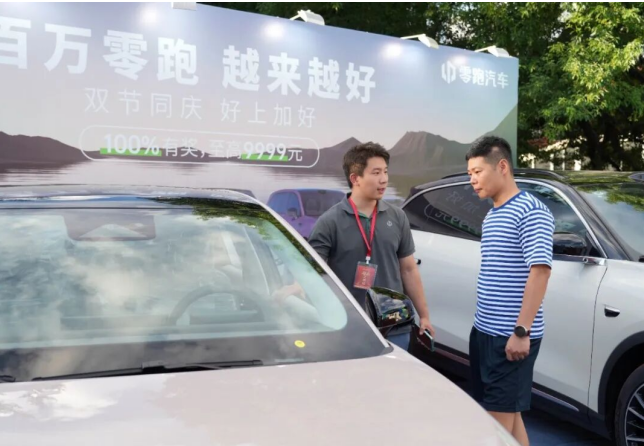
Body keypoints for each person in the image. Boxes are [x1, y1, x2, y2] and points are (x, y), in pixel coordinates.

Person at [465, 136, 555, 446]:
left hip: (510, 336)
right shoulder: (492, 214)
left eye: (478, 172)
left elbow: (540, 271)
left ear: (502, 166)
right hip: (485, 331)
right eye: (470, 174)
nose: (472, 180)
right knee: (508, 420)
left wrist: (521, 331)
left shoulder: (531, 211)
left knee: (495, 431)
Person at [307, 142, 434, 350]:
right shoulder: (330, 221)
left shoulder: (397, 217)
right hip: (349, 326)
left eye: (385, 171)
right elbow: (311, 273)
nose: (384, 179)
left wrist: (424, 316)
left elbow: (409, 270)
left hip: (395, 325)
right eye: (376, 173)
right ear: (355, 178)